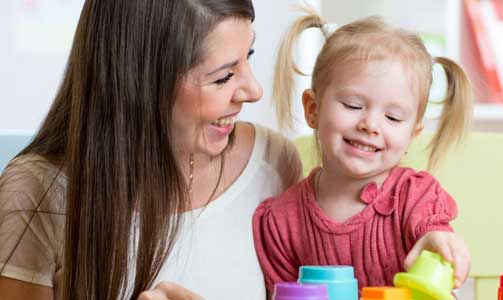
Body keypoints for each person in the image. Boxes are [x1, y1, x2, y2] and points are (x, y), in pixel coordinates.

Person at [0, 0, 301, 299]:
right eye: (222, 77)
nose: (254, 90)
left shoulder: (272, 163)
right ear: (141, 82)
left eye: (248, 56)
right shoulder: (36, 190)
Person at [253, 8, 472, 296]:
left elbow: (434, 235)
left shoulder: (414, 197)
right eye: (354, 105)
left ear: (411, 135)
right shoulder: (281, 221)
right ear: (313, 109)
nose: (370, 125)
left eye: (393, 118)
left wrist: (441, 243)